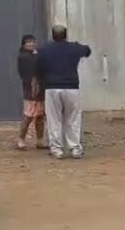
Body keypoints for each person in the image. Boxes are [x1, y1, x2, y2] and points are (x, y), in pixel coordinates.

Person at [36, 24, 92, 160]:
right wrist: (76, 45)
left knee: (54, 119)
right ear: (66, 35)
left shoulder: (44, 49)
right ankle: (75, 148)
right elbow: (87, 51)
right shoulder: (74, 48)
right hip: (71, 87)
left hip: (51, 87)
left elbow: (38, 66)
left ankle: (57, 149)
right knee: (73, 118)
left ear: (53, 35)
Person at [16, 34, 45, 150]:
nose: (31, 44)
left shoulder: (35, 55)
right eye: (28, 42)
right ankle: (21, 140)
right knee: (28, 116)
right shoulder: (23, 57)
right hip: (30, 91)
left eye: (33, 41)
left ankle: (40, 140)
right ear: (23, 44)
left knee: (40, 116)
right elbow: (30, 72)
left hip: (41, 91)